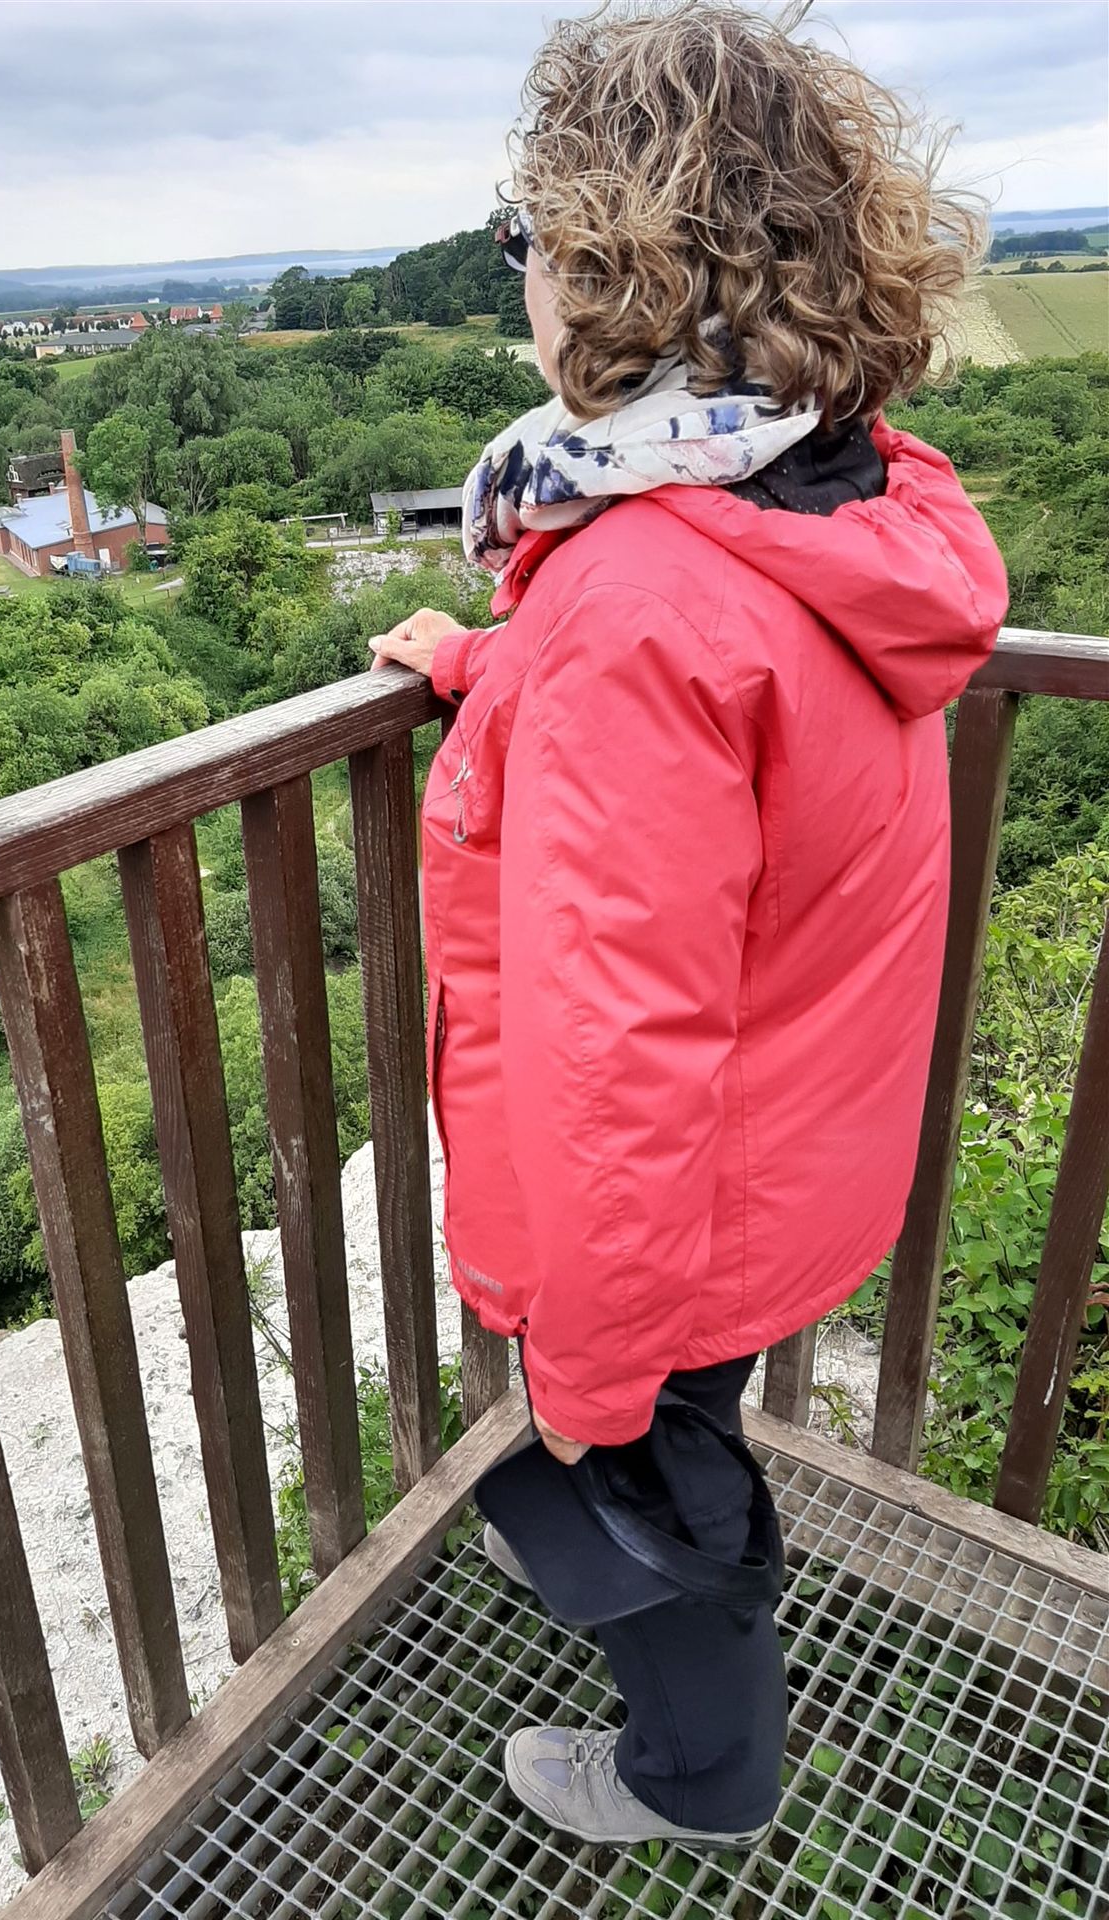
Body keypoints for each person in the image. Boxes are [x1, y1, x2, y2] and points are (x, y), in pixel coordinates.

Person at [369, 0, 1008, 1854]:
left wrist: (582, 1374)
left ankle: (696, 1778)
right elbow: (744, 741)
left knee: (667, 1475)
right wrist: (502, 674)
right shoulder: (842, 487)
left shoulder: (640, 596)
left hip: (687, 1205)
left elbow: (616, 1061)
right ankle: (657, 1606)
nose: (519, 274)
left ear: (619, 267)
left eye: (529, 234)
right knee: (687, 1432)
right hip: (789, 1149)